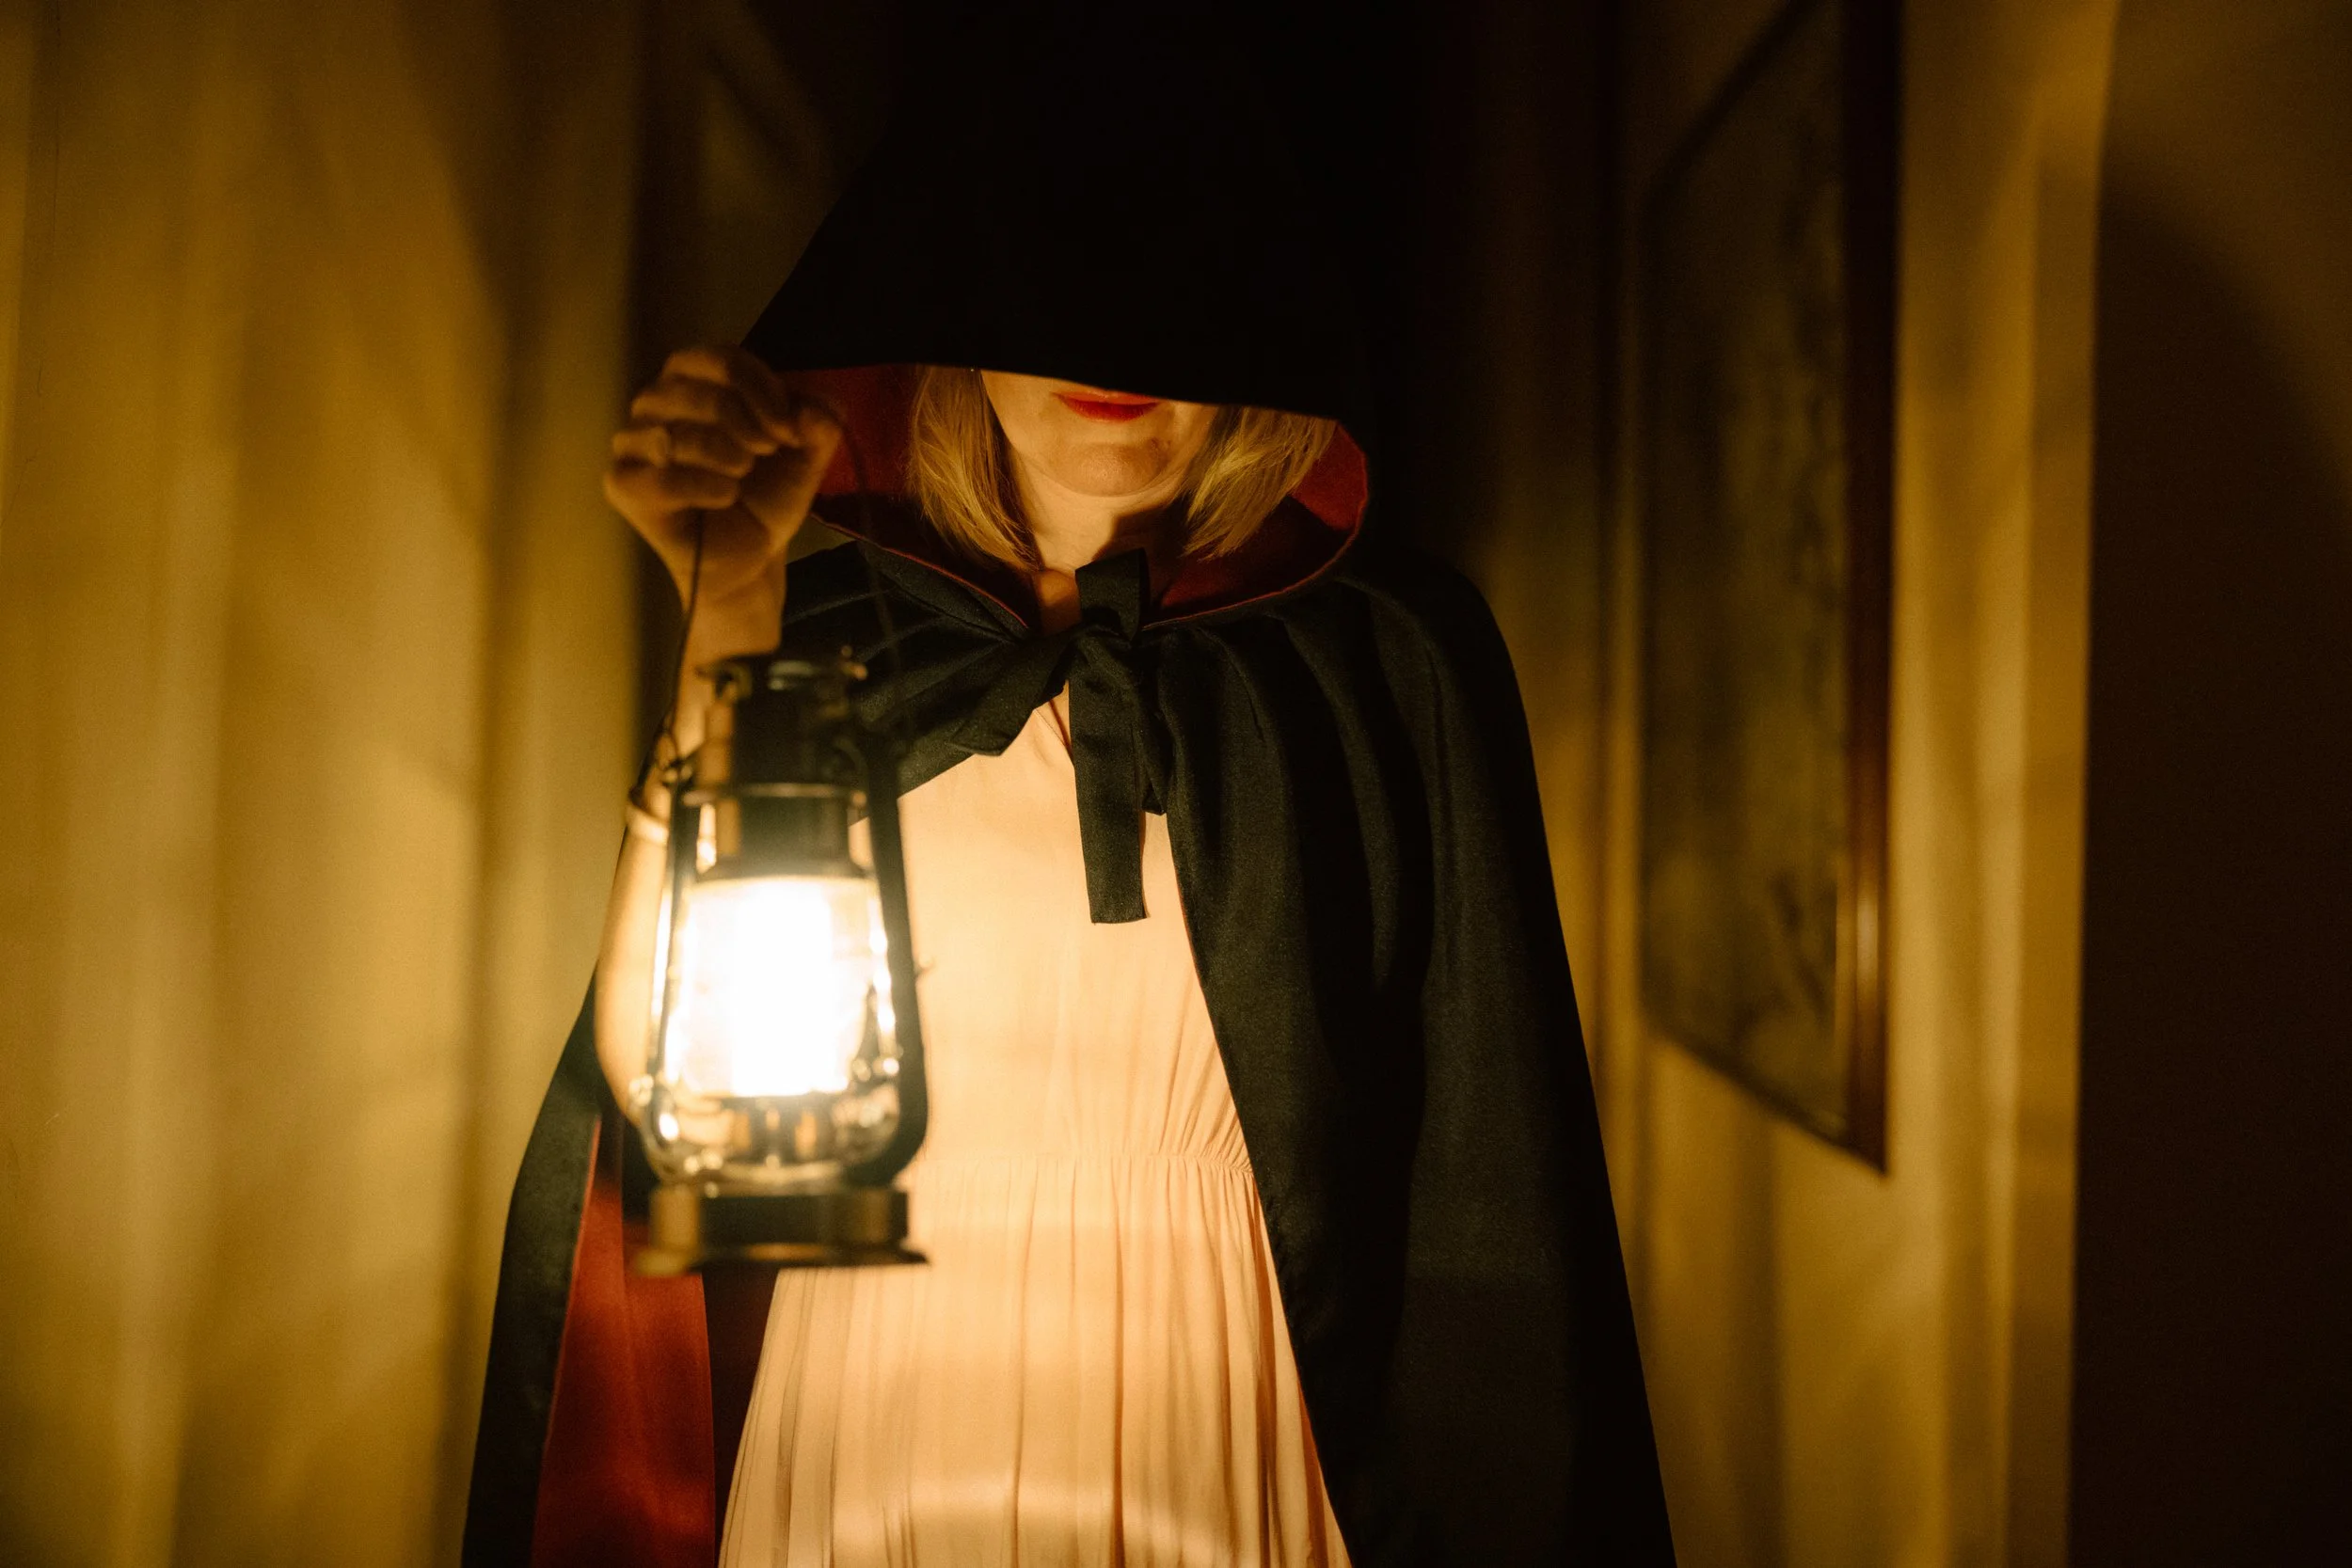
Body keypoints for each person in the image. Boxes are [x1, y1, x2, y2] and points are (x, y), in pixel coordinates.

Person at [464, 8, 1673, 1566]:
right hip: (876, 1425)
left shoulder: (1389, 668)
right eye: (1058, 277)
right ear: (952, 297)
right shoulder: (820, 634)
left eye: (1175, 279)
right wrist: (734, 607)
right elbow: (716, 1145)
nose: (1118, 354)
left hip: (1236, 1422)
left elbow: (1495, 1222)